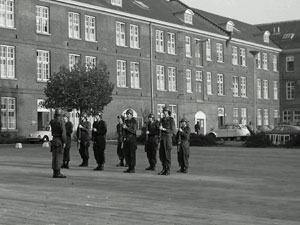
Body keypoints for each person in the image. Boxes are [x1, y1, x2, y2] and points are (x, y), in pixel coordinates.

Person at [49, 108, 67, 178]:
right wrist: (64, 141)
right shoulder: (61, 122)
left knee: (54, 157)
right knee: (59, 157)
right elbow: (63, 133)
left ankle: (55, 172)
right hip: (59, 140)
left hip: (54, 140)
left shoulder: (52, 122)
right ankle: (57, 173)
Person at [158, 106, 176, 175]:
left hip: (168, 138)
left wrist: (164, 129)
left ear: (168, 112)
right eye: (164, 111)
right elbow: (160, 130)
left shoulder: (171, 120)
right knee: (161, 155)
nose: (164, 113)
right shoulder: (162, 120)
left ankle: (167, 169)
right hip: (162, 138)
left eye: (166, 111)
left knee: (167, 154)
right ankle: (163, 168)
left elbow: (173, 131)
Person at [122, 109, 138, 173]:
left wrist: (126, 128)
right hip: (126, 139)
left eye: (129, 114)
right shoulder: (125, 121)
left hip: (132, 139)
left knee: (132, 154)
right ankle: (129, 166)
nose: (128, 115)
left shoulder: (134, 121)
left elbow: (134, 131)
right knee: (126, 154)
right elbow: (123, 131)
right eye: (127, 114)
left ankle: (132, 167)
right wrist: (124, 136)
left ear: (131, 115)